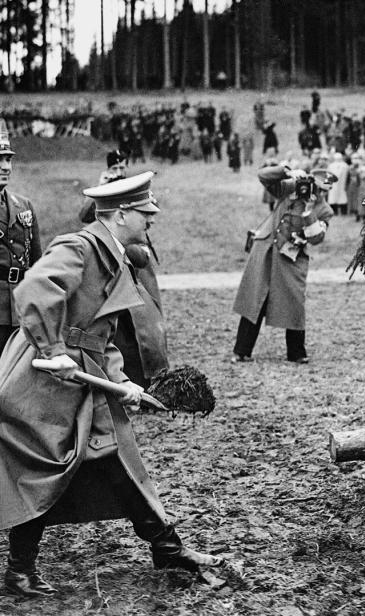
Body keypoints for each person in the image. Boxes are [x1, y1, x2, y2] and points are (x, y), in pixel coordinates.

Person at [0, 172, 222, 598]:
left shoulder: (114, 254)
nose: (150, 220)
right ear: (121, 214)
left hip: (83, 371)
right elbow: (33, 289)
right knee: (42, 468)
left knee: (116, 457)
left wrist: (121, 383)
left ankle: (167, 547)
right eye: (144, 213)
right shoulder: (79, 247)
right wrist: (50, 350)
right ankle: (20, 569)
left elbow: (101, 336)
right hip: (44, 379)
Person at [79, 152, 168, 389]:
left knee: (150, 319)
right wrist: (103, 184)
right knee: (125, 325)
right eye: (115, 167)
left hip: (139, 260)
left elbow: (150, 210)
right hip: (117, 260)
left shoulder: (135, 188)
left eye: (122, 166)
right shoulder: (106, 190)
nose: (120, 170)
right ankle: (131, 378)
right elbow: (86, 214)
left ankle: (153, 375)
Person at [232, 166, 335, 363]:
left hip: (291, 259)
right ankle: (241, 350)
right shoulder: (289, 189)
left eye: (322, 190)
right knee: (256, 298)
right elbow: (263, 176)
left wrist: (308, 212)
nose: (315, 192)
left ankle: (296, 353)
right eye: (314, 186)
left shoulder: (324, 210)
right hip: (266, 253)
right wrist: (286, 171)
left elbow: (316, 238)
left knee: (294, 302)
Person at [0, 118, 42, 353]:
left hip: (20, 310)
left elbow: (37, 263)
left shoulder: (24, 205)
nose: (6, 166)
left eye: (8, 159)